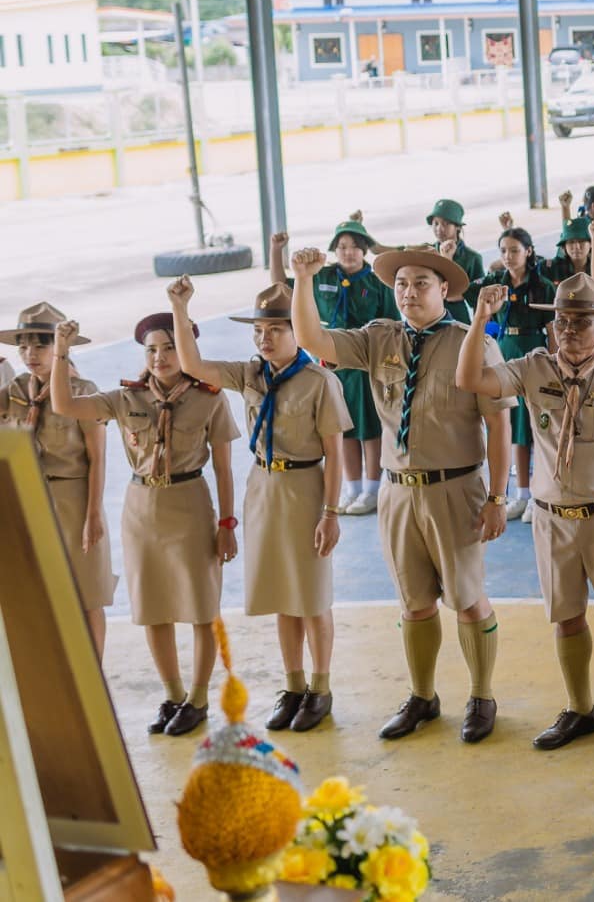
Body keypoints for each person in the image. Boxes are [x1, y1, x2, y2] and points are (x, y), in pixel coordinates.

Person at [290, 242, 514, 745]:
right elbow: (313, 338)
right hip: (396, 492)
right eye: (401, 284)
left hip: (455, 488)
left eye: (420, 284)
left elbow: (499, 425)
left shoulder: (469, 341)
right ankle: (422, 696)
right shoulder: (378, 339)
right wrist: (303, 279)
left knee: (468, 599)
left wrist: (499, 497)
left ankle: (481, 696)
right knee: (414, 603)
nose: (408, 293)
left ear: (444, 291)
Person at [460, 275, 594, 756]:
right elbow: (471, 379)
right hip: (551, 518)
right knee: (567, 618)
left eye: (582, 322)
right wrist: (481, 320)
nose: (569, 329)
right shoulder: (532, 369)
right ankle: (580, 708)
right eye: (562, 321)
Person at [168, 278, 350, 733]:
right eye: (258, 330)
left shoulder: (319, 381)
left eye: (275, 329)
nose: (264, 338)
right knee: (280, 594)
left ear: (296, 332)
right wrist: (179, 306)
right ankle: (293, 685)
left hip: (306, 488)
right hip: (263, 487)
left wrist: (331, 513)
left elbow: (335, 454)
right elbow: (191, 363)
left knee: (310, 595)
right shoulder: (249, 374)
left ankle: (320, 688)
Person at [49, 312, 237, 738]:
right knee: (153, 608)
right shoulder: (125, 398)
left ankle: (199, 697)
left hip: (190, 503)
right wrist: (61, 352)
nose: (160, 357)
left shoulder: (210, 398)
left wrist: (227, 523)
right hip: (141, 508)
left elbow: (224, 469)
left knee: (202, 609)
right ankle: (172, 694)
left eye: (169, 347)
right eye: (152, 349)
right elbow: (64, 405)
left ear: (187, 348)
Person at [0, 302, 114, 654]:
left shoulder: (82, 391)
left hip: (75, 499)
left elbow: (97, 459)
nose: (30, 354)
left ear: (59, 348)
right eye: (23, 346)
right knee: (41, 598)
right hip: (32, 502)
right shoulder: (15, 392)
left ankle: (95, 678)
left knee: (87, 596)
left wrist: (93, 515)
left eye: (40, 345)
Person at [278, 222, 397, 516]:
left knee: (369, 428)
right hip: (330, 362)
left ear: (364, 250)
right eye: (342, 246)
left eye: (355, 246)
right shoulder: (324, 276)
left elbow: (393, 326)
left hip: (364, 362)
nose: (348, 252)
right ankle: (352, 488)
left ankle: (372, 488)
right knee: (342, 428)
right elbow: (283, 287)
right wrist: (276, 250)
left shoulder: (377, 282)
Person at [473, 226, 554, 520]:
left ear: (528, 252)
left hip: (533, 350)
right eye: (503, 251)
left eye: (515, 250)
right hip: (503, 349)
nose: (508, 256)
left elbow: (551, 329)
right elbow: (468, 295)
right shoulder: (496, 282)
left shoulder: (543, 285)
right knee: (513, 425)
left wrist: (555, 363)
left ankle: (538, 492)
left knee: (536, 424)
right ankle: (519, 494)